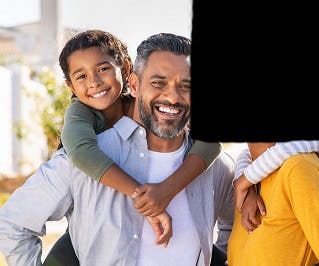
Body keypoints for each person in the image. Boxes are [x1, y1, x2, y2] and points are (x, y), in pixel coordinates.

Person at [0, 32, 235, 266]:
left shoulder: (214, 167)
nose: (172, 96)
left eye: (186, 85)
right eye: (158, 83)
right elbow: (13, 226)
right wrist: (142, 196)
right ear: (134, 84)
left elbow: (237, 225)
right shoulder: (78, 159)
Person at [59, 30, 222, 219]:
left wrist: (167, 190)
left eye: (103, 69)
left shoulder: (144, 104)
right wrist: (142, 196)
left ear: (125, 70)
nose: (94, 82)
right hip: (91, 220)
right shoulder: (81, 112)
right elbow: (81, 152)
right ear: (70, 86)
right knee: (71, 243)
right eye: (81, 76)